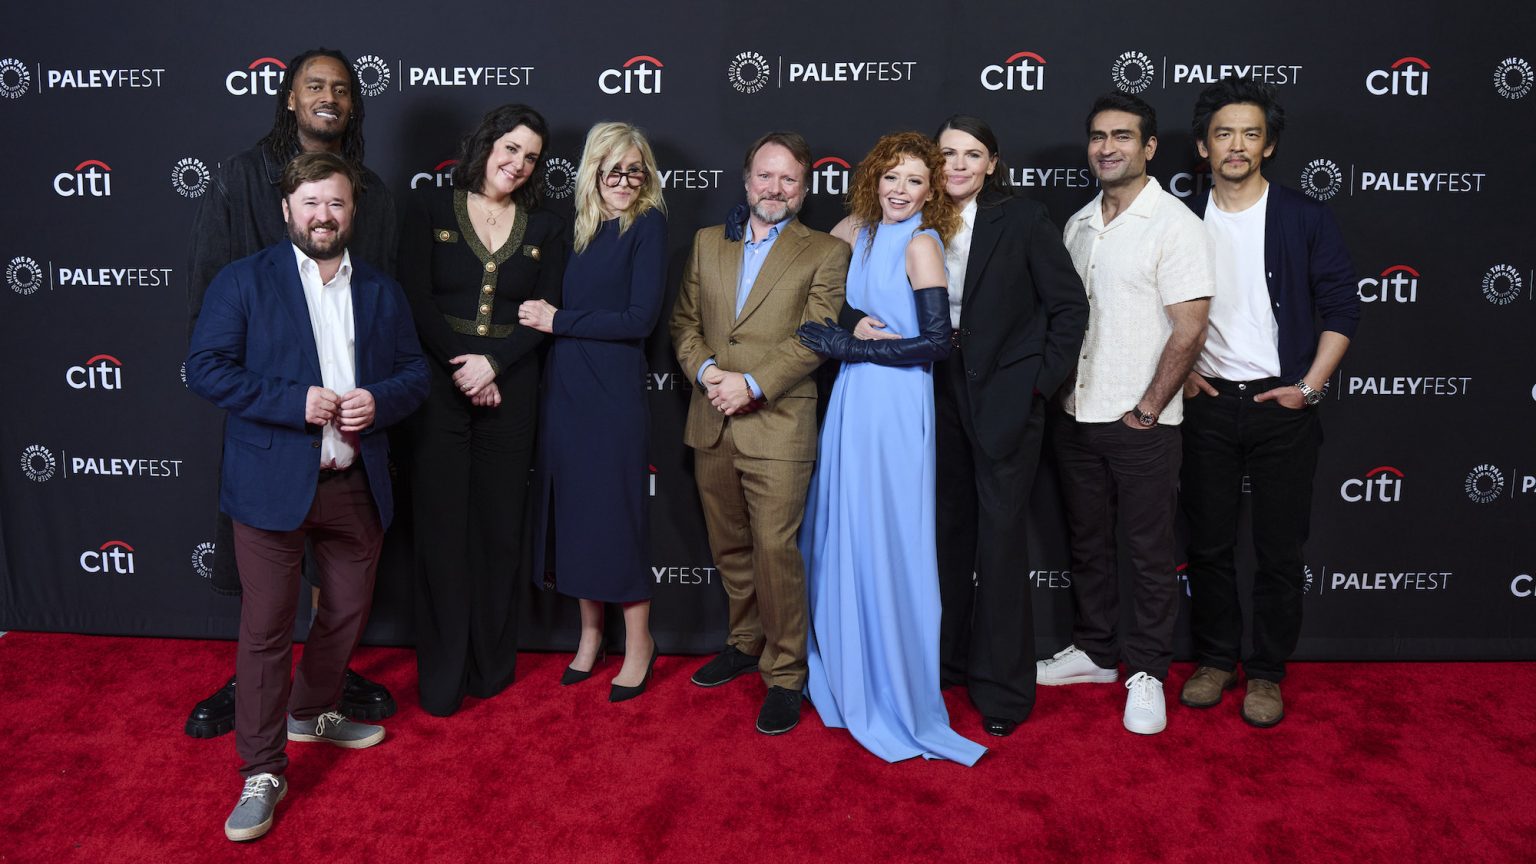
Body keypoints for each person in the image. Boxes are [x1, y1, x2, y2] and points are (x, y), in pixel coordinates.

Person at [186, 151, 429, 842]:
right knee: (266, 631)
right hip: (270, 486)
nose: (325, 215)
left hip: (354, 481)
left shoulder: (380, 289)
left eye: (337, 203)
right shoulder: (244, 280)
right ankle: (262, 769)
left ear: (353, 211)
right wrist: (292, 402)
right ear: (288, 207)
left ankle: (310, 709)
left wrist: (379, 400)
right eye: (312, 202)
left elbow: (414, 373)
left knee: (347, 608)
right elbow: (205, 369)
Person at [843, 116, 1089, 738]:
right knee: (943, 536)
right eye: (947, 153)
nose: (957, 165)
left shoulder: (1022, 218)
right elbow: (841, 270)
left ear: (992, 164)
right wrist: (848, 320)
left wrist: (1036, 384)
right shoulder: (906, 216)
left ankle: (1003, 690)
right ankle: (946, 665)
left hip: (1005, 398)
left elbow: (1069, 306)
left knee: (1000, 545)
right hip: (928, 393)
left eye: (972, 155)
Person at [184, 46, 400, 739]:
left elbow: (381, 309)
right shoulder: (240, 178)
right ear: (290, 97)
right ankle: (258, 697)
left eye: (341, 88)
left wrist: (375, 393)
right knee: (266, 599)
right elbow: (210, 311)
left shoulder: (373, 192)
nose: (328, 97)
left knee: (342, 589)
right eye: (315, 85)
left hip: (349, 438)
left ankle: (317, 689)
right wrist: (274, 391)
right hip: (270, 417)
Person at [796, 131, 985, 765]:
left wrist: (851, 346)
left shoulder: (922, 244)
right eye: (891, 177)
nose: (900, 191)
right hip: (854, 397)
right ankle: (847, 666)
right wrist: (848, 322)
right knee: (845, 526)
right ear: (873, 179)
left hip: (897, 401)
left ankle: (892, 683)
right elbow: (810, 290)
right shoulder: (855, 230)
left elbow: (935, 342)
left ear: (932, 192)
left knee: (887, 533)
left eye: (915, 181)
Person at [1178, 79, 1359, 727]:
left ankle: (1266, 672)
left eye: (1250, 133)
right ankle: (1215, 659)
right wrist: (1181, 374)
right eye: (1223, 133)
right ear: (1204, 146)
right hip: (1206, 405)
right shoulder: (1180, 218)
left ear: (1269, 145)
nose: (1237, 145)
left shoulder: (1304, 216)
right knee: (1208, 545)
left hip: (1282, 408)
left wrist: (1309, 388)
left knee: (1280, 550)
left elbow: (1343, 309)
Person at [1040, 93, 1214, 735]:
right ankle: (1095, 650)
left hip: (1142, 423)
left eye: (1122, 136)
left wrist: (1148, 409)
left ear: (1149, 147)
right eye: (1098, 136)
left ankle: (1147, 671)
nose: (1107, 147)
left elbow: (1190, 328)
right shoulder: (1078, 224)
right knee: (1087, 543)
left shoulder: (1174, 224)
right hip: (1076, 415)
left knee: (1147, 553)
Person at [668, 131, 848, 735]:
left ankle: (786, 674)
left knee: (775, 552)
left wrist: (751, 384)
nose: (775, 188)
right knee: (729, 547)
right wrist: (708, 373)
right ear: (747, 181)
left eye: (788, 179)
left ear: (804, 188)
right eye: (765, 176)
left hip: (778, 423)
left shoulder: (825, 251)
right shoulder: (706, 242)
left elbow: (817, 335)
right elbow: (684, 323)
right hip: (711, 416)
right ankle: (745, 643)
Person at [398, 104, 566, 717]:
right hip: (439, 389)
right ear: (487, 144)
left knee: (499, 531)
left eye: (531, 157)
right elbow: (414, 298)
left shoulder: (547, 227)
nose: (518, 163)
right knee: (442, 533)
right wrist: (464, 367)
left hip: (511, 388)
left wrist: (493, 365)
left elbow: (546, 313)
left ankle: (491, 670)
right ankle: (442, 678)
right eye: (511, 148)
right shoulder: (427, 207)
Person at [518, 122, 668, 701]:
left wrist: (560, 320)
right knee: (576, 515)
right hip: (566, 390)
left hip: (614, 395)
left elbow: (638, 320)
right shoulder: (577, 227)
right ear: (594, 172)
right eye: (614, 170)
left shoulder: (647, 226)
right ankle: (590, 636)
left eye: (635, 171)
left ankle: (639, 642)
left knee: (618, 516)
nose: (625, 181)